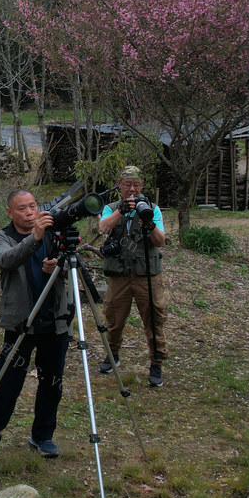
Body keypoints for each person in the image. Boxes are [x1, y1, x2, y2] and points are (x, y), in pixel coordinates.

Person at [0, 190, 73, 470]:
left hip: (55, 320)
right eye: (22, 209)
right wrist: (35, 237)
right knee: (6, 384)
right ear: (10, 212)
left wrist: (59, 267)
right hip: (20, 323)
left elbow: (75, 269)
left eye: (33, 206)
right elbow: (7, 260)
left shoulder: (54, 233)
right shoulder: (2, 237)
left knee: (52, 382)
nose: (29, 213)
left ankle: (43, 436)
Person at [97, 165, 168, 387]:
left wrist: (149, 224)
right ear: (119, 185)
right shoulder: (110, 208)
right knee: (113, 317)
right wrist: (121, 211)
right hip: (119, 274)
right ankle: (112, 355)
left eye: (137, 185)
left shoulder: (153, 209)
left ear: (142, 186)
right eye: (127, 184)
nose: (132, 189)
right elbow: (103, 228)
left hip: (147, 275)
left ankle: (156, 363)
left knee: (154, 319)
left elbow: (160, 241)